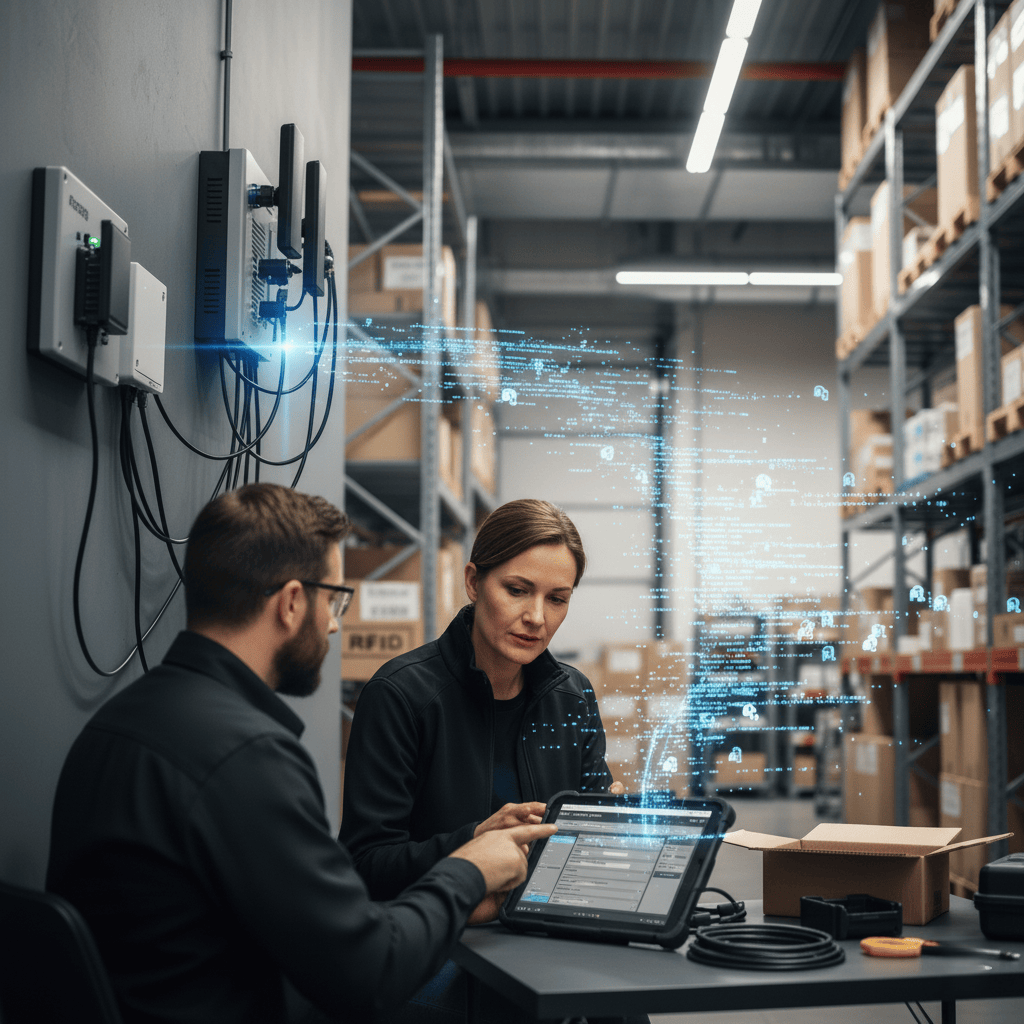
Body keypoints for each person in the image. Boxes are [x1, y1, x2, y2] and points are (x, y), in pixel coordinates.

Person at [46, 483, 554, 1024]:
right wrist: (468, 871)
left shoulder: (117, 723)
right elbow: (369, 973)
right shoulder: (246, 757)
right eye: (334, 600)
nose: (335, 623)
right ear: (291, 603)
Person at [341, 499, 617, 903]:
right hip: (445, 943)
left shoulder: (572, 698)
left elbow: (589, 847)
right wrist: (474, 843)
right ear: (473, 582)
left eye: (557, 599)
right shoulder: (400, 695)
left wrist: (614, 825)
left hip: (547, 934)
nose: (536, 617)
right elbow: (366, 865)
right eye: (517, 591)